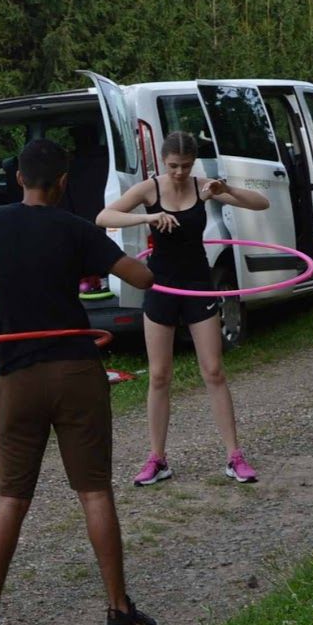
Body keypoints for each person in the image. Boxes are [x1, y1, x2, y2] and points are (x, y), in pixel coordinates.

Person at [0, 137, 159, 625]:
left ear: (18, 178)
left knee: (12, 496)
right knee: (94, 491)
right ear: (62, 182)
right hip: (76, 370)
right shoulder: (77, 229)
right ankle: (118, 614)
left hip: (17, 376)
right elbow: (142, 277)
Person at [96, 130, 271, 485]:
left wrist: (226, 189)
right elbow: (103, 217)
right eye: (173, 165)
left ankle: (234, 456)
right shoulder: (150, 189)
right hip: (160, 286)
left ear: (193, 163)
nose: (179, 172)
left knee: (214, 371)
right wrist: (146, 218)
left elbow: (261, 203)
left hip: (197, 285)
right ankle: (157, 459)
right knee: (159, 375)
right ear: (163, 161)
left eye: (186, 166)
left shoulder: (203, 186)